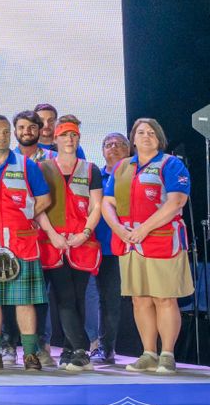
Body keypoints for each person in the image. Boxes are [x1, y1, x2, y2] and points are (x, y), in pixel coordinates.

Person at [103, 117, 192, 375]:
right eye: (141, 132)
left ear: (159, 138)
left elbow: (176, 202)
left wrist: (144, 229)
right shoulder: (122, 167)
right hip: (130, 242)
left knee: (164, 298)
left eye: (151, 132)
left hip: (161, 240)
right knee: (140, 300)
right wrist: (119, 229)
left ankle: (167, 354)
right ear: (133, 138)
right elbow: (107, 202)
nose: (146, 136)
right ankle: (149, 353)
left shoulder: (171, 164)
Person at [0, 114, 54, 371]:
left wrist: (24, 216)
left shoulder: (27, 166)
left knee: (24, 301)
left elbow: (45, 199)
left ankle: (30, 354)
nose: (2, 136)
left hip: (21, 243)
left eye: (6, 132)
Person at [35, 116, 101, 371]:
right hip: (54, 242)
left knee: (78, 297)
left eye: (73, 135)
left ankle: (70, 350)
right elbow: (38, 206)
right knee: (63, 295)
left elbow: (97, 206)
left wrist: (84, 233)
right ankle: (81, 349)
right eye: (64, 135)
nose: (69, 139)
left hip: (82, 242)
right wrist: (52, 234)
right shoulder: (43, 168)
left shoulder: (90, 169)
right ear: (55, 139)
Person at [92, 131, 130, 364]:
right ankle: (89, 347)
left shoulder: (136, 175)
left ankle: (107, 348)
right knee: (91, 300)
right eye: (108, 144)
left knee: (111, 300)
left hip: (123, 247)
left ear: (129, 149)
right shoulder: (94, 177)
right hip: (92, 247)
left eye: (119, 144)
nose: (113, 147)